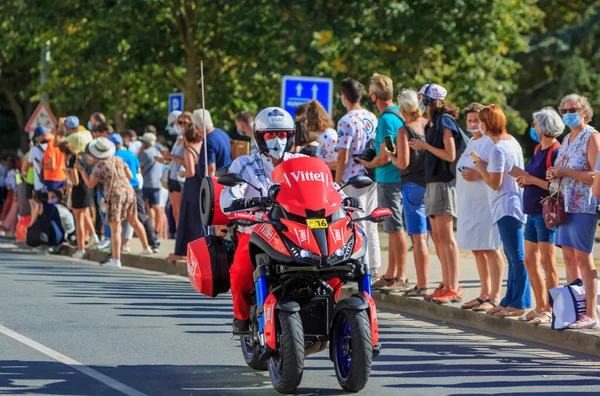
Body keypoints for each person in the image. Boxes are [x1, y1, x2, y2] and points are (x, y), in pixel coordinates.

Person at [221, 106, 319, 333]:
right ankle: (242, 317)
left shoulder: (303, 161)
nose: (277, 140)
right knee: (241, 273)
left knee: (335, 266)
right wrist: (237, 203)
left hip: (298, 232)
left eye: (282, 134)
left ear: (291, 136)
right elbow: (230, 196)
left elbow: (328, 188)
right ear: (260, 136)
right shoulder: (244, 164)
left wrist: (344, 199)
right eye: (271, 134)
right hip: (257, 231)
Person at [473, 105, 531, 317]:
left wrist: (480, 167)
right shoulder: (511, 141)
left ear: (487, 124)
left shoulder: (497, 149)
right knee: (513, 255)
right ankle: (510, 299)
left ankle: (519, 303)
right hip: (513, 204)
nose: (479, 125)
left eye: (481, 121)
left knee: (516, 256)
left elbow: (495, 183)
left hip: (506, 206)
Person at [409, 83, 461, 304]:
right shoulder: (433, 123)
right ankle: (446, 283)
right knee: (438, 237)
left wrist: (425, 146)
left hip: (443, 183)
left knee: (447, 238)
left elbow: (450, 155)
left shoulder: (445, 121)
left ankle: (454, 287)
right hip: (432, 183)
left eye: (422, 97)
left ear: (430, 100)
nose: (420, 101)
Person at [553, 94, 599, 329]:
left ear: (584, 111)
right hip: (564, 205)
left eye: (572, 109)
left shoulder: (592, 136)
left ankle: (591, 313)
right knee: (569, 257)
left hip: (584, 205)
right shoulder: (568, 138)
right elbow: (562, 170)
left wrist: (565, 173)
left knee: (583, 257)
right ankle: (575, 308)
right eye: (563, 110)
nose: (568, 113)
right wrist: (554, 174)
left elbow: (595, 175)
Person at [359, 73, 409, 292]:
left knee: (394, 227)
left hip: (389, 178)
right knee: (393, 227)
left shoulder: (387, 119)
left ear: (373, 96)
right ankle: (394, 273)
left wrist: (368, 163)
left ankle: (397, 274)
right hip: (395, 178)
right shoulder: (398, 113)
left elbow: (386, 154)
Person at [515, 107, 564, 324]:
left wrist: (532, 181)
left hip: (546, 214)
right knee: (530, 260)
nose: (532, 127)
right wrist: (524, 179)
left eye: (534, 124)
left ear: (543, 127)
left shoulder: (555, 151)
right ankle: (540, 305)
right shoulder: (538, 149)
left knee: (547, 262)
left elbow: (556, 188)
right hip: (532, 213)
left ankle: (552, 310)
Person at [455, 103, 503, 311]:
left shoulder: (489, 142)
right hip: (469, 204)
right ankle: (483, 293)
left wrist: (477, 174)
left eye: (477, 120)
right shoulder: (471, 143)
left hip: (486, 203)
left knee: (491, 247)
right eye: (470, 121)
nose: (474, 124)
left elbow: (494, 171)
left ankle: (495, 295)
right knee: (477, 249)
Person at [77, 138, 153, 267]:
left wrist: (82, 171)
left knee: (115, 227)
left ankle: (116, 259)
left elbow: (90, 184)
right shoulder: (119, 159)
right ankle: (147, 247)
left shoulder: (99, 166)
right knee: (134, 220)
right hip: (129, 191)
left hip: (114, 195)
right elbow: (130, 176)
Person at [385, 89, 431, 297]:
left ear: (403, 109)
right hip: (431, 184)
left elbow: (402, 162)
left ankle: (422, 284)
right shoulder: (429, 125)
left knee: (418, 238)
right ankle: (441, 283)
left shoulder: (405, 130)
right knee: (435, 238)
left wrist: (390, 155)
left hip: (412, 185)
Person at [335, 77, 381, 281]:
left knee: (355, 222)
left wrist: (336, 183)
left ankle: (360, 265)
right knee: (371, 221)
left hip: (353, 178)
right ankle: (374, 266)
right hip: (372, 174)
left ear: (343, 97)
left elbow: (343, 155)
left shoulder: (345, 121)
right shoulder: (372, 116)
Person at [173, 109, 232, 259]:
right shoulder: (222, 134)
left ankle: (207, 254)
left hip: (216, 186)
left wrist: (208, 191)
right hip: (226, 182)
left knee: (209, 224)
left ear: (198, 126)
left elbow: (211, 169)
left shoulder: (209, 140)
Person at [110, 134, 160, 254]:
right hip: (134, 187)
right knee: (138, 217)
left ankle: (116, 249)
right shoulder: (131, 154)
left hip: (120, 188)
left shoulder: (113, 156)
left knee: (118, 220)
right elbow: (138, 170)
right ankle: (150, 244)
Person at [60, 141, 99, 258]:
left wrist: (67, 173)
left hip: (79, 190)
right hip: (88, 187)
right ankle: (93, 235)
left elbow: (75, 181)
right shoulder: (83, 155)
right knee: (86, 213)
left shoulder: (72, 160)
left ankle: (81, 248)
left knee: (79, 220)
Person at [161, 112, 192, 230]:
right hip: (172, 176)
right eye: (180, 122)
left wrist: (171, 156)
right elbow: (175, 159)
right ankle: (179, 237)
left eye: (185, 122)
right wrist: (165, 159)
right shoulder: (179, 138)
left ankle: (181, 238)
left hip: (181, 177)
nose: (182, 125)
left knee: (180, 211)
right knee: (174, 210)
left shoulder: (189, 139)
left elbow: (187, 161)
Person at [90, 123, 113, 249]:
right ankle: (108, 238)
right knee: (104, 213)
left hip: (106, 188)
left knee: (106, 213)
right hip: (104, 188)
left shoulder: (103, 160)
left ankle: (108, 238)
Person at [139, 132, 164, 236]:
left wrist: (140, 151)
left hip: (146, 184)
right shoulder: (158, 152)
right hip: (157, 183)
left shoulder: (145, 153)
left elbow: (139, 167)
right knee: (156, 207)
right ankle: (156, 229)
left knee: (145, 208)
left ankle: (148, 229)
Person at [306, 100, 339, 173]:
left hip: (332, 176)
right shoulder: (321, 136)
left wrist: (322, 166)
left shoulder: (328, 136)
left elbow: (339, 161)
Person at [42, 124, 67, 192]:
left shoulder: (51, 145)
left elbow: (52, 166)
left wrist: (40, 165)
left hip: (52, 178)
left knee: (52, 201)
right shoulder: (66, 143)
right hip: (63, 176)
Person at [1, 158, 19, 237]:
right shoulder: (16, 172)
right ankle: (7, 227)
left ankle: (5, 227)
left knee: (7, 211)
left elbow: (9, 184)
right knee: (10, 211)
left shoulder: (12, 173)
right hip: (13, 193)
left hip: (12, 193)